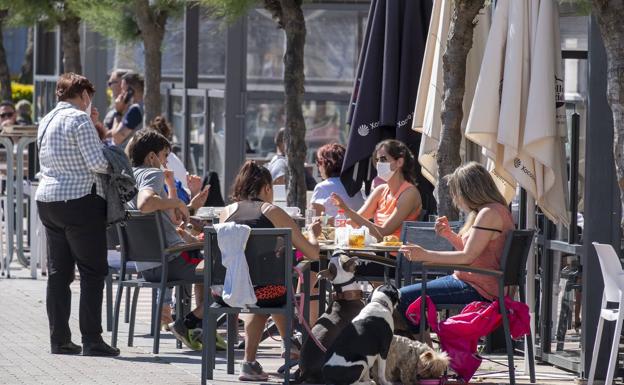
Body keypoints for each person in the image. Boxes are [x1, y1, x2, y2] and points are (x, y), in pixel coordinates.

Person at [36, 73, 118, 357]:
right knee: (93, 271)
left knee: (59, 273)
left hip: (48, 200)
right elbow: (97, 163)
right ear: (84, 95)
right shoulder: (80, 120)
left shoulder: (46, 120)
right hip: (81, 200)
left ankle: (59, 340)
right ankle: (92, 339)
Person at [218, 160, 322, 381]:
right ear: (266, 188)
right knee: (270, 286)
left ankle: (261, 358)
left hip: (229, 291)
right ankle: (292, 346)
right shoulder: (272, 211)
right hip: (265, 291)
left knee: (258, 286)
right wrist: (314, 232)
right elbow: (312, 253)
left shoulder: (226, 212)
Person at [125, 129, 214, 350]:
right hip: (169, 261)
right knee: (226, 274)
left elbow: (157, 217)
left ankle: (194, 326)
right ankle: (189, 323)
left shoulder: (128, 177)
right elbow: (145, 204)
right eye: (165, 156)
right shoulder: (151, 174)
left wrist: (186, 206)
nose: (166, 163)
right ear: (152, 157)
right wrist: (177, 203)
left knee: (206, 267)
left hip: (145, 264)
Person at [397, 162, 515, 319]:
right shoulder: (493, 210)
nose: (456, 199)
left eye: (456, 193)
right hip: (478, 283)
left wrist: (425, 255)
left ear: (468, 191)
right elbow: (475, 252)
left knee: (401, 297)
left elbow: (467, 257)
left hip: (478, 288)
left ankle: (419, 342)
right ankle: (422, 340)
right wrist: (449, 234)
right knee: (404, 297)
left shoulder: (488, 213)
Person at [331, 139, 422, 241]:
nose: (379, 164)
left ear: (399, 162)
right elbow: (355, 221)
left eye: (383, 159)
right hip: (376, 251)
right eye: (377, 160)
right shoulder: (380, 190)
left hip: (395, 254)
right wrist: (330, 225)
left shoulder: (409, 193)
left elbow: (383, 233)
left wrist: (347, 210)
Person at [311, 143, 364, 217]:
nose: (318, 166)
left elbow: (314, 219)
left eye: (319, 162)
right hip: (359, 227)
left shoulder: (322, 187)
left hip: (336, 228)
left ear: (328, 164)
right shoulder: (355, 186)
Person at [111, 72, 144, 149]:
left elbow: (117, 138)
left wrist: (118, 112)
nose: (121, 93)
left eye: (123, 89)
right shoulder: (141, 106)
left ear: (130, 91)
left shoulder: (135, 109)